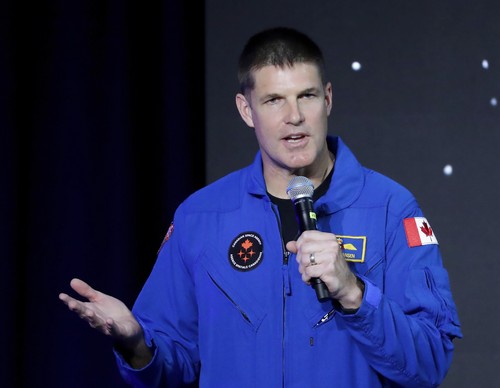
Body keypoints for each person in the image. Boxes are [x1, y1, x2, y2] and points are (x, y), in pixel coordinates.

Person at [59, 26, 462, 387]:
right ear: (246, 110)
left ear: (327, 99)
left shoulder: (391, 208)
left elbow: (428, 363)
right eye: (273, 100)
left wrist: (355, 294)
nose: (295, 117)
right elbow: (172, 364)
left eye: (306, 96)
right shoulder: (201, 216)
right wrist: (135, 341)